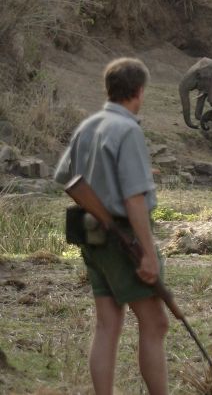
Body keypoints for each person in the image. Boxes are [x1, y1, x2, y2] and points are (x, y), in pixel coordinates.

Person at [53, 58, 168, 395]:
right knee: (155, 323)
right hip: (123, 237)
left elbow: (65, 177)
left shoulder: (89, 125)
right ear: (139, 91)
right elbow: (134, 199)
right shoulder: (128, 129)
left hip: (92, 236)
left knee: (107, 324)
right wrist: (146, 252)